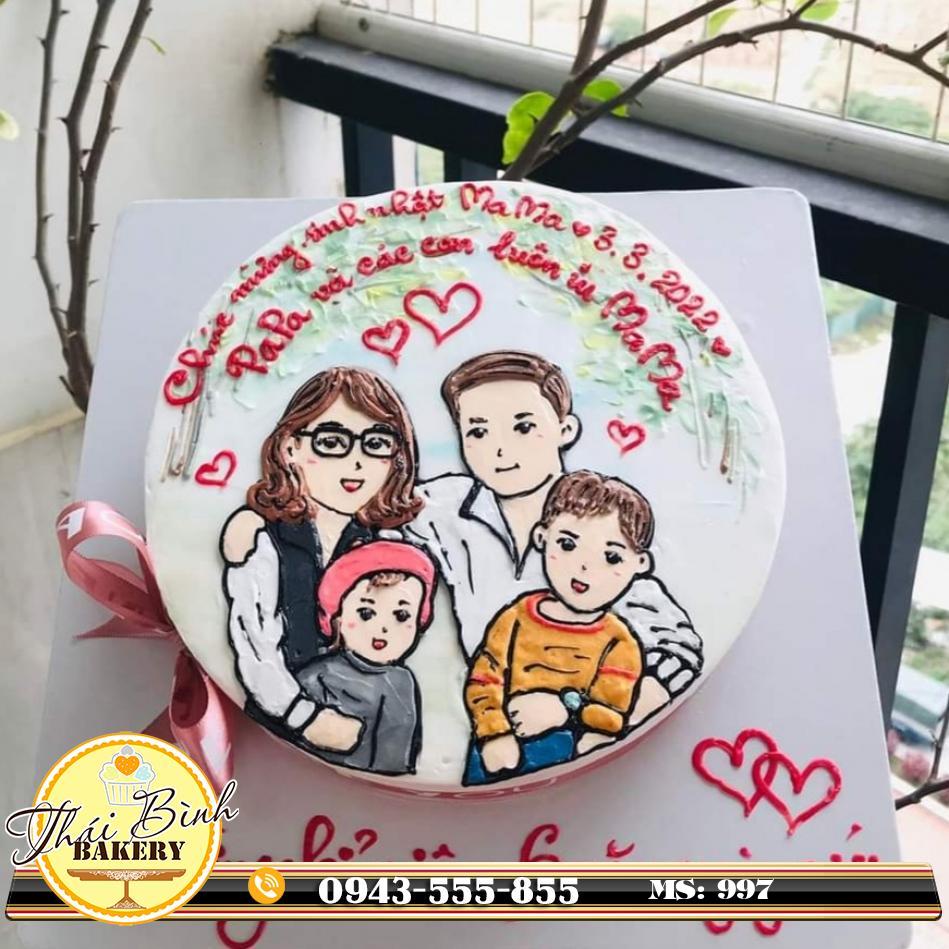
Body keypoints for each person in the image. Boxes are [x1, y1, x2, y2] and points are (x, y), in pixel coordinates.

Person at [408, 350, 702, 726]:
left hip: (570, 728)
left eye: (523, 427)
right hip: (479, 715)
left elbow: (677, 654)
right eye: (478, 432)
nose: (500, 449)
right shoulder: (442, 508)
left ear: (566, 430)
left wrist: (574, 711)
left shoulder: (600, 519)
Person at [221, 367, 422, 750]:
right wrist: (304, 717)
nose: (357, 462)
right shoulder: (262, 539)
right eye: (332, 442)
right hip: (278, 726)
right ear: (290, 447)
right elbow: (255, 644)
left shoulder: (385, 546)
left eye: (376, 443)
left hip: (367, 712)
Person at [464, 471, 649, 784]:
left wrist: (565, 709)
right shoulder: (516, 617)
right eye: (567, 544)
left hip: (568, 749)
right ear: (542, 537)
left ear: (640, 564)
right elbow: (484, 678)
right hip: (500, 742)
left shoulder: (620, 642)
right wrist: (494, 734)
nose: (584, 567)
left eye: (611, 557)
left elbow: (611, 713)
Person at [295, 541, 436, 776]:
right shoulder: (316, 675)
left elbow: (394, 760)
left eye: (401, 615)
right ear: (338, 618)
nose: (383, 628)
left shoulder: (401, 682)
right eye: (366, 613)